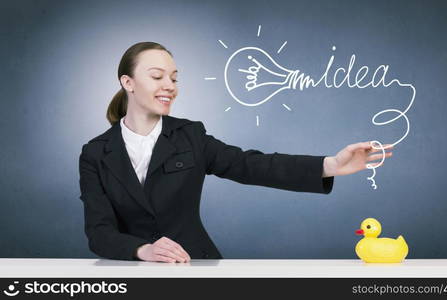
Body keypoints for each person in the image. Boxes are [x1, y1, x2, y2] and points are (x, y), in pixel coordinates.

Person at [79, 42, 393, 263]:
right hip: (130, 274)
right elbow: (99, 232)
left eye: (174, 78)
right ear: (128, 82)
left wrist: (331, 165)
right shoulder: (95, 153)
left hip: (196, 266)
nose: (170, 86)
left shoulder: (191, 135)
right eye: (157, 76)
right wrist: (143, 250)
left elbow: (251, 165)